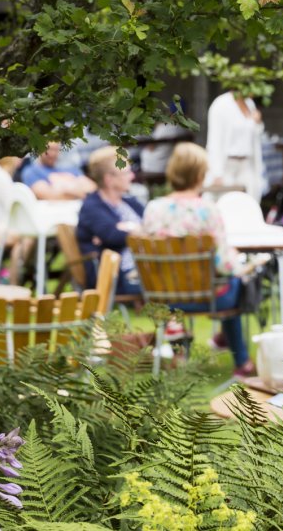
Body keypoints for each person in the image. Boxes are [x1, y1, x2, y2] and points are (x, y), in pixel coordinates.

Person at [141, 142, 254, 377]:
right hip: (209, 298)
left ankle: (180, 352)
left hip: (165, 297)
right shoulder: (208, 211)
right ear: (200, 175)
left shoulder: (154, 209)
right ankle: (241, 361)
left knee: (229, 282)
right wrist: (242, 266)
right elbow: (224, 265)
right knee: (238, 283)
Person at [77, 146, 146, 296]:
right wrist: (136, 229)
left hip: (144, 269)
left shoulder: (130, 202)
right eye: (127, 172)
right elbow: (112, 236)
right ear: (109, 179)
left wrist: (127, 228)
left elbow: (151, 226)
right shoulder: (92, 207)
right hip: (119, 277)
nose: (132, 176)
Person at [206, 91, 266, 200]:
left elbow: (255, 134)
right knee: (225, 203)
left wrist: (258, 122)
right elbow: (214, 140)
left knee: (249, 203)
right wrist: (216, 172)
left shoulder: (250, 103)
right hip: (227, 165)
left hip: (247, 164)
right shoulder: (221, 104)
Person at [17, 142, 96, 200]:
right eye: (48, 149)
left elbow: (93, 190)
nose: (52, 154)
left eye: (55, 150)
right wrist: (78, 189)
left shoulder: (71, 169)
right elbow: (50, 196)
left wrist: (63, 190)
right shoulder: (31, 171)